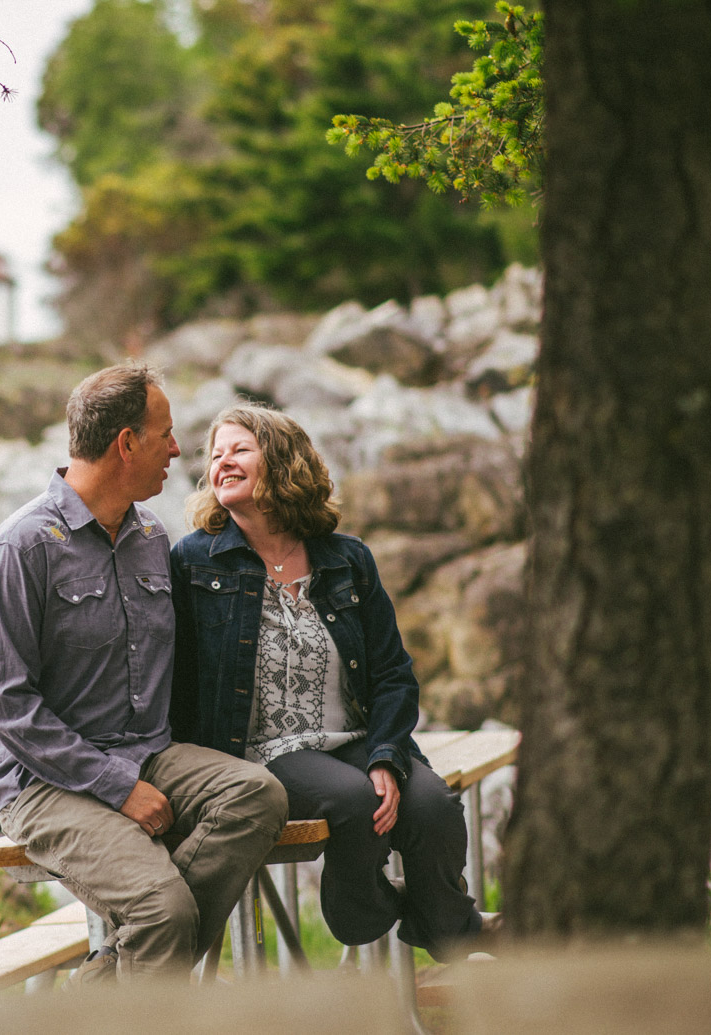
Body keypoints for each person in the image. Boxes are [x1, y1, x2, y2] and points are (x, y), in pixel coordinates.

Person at [0, 362, 289, 982]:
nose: (176, 450)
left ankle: (106, 980)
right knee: (161, 911)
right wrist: (116, 787)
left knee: (256, 795)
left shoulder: (150, 536)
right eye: (165, 434)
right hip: (44, 783)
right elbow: (6, 705)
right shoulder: (20, 548)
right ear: (126, 444)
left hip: (148, 752)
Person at [169, 401, 484, 960]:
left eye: (239, 449)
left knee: (433, 804)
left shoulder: (347, 560)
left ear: (283, 460)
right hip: (260, 752)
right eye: (215, 455)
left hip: (355, 739)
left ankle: (446, 933)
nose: (222, 463)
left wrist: (387, 754)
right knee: (355, 801)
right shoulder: (194, 563)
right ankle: (362, 914)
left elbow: (392, 673)